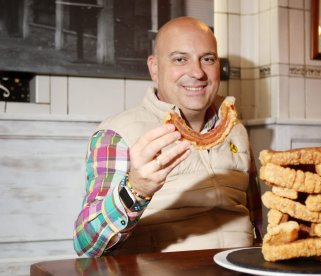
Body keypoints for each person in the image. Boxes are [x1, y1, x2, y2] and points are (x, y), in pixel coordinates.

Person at [73, 16, 261, 257]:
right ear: (154, 68)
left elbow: (257, 221)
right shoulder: (116, 134)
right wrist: (136, 188)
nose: (197, 72)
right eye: (180, 59)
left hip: (239, 268)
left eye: (208, 59)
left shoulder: (236, 129)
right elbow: (85, 245)